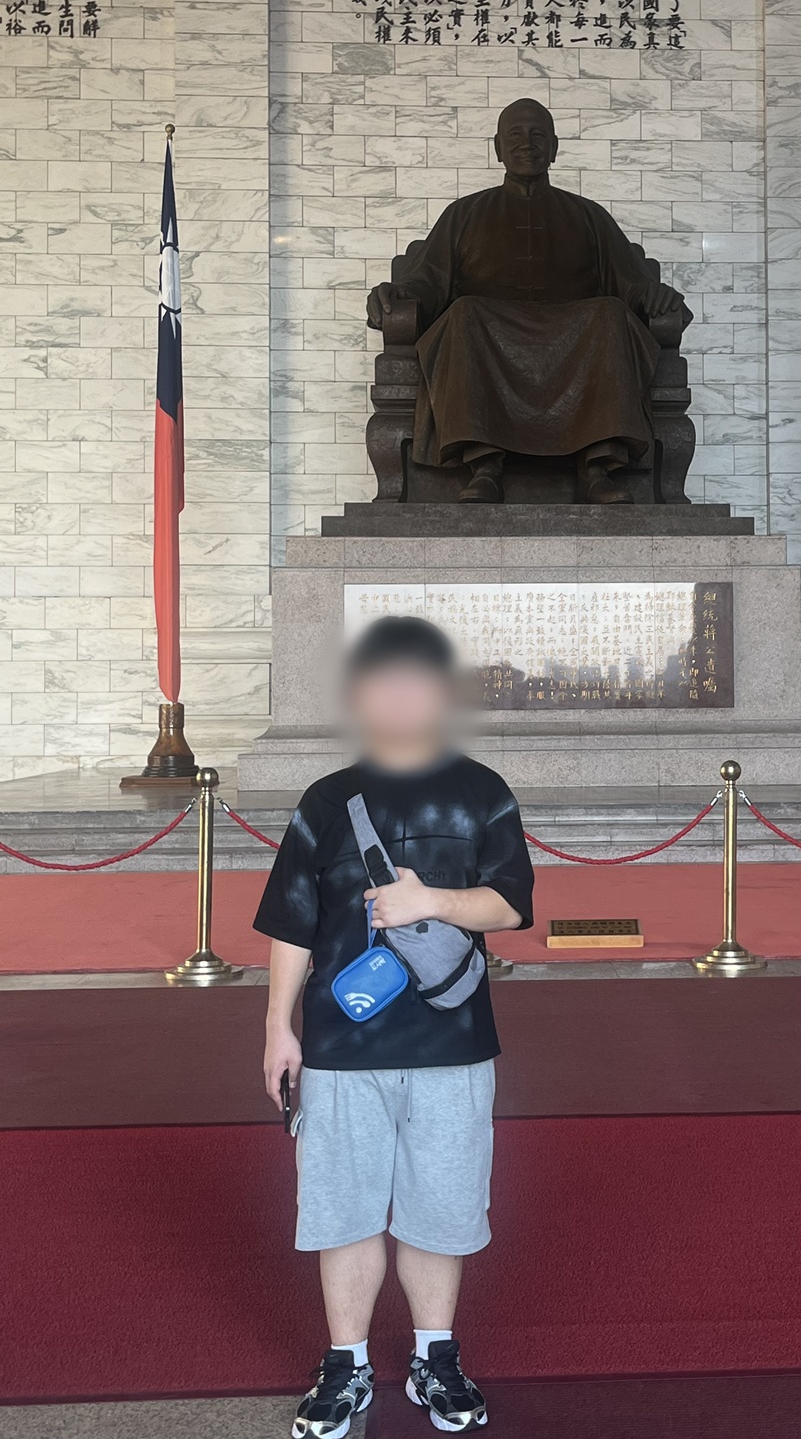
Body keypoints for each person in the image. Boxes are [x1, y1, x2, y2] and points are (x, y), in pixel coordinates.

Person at [255, 615, 534, 1436]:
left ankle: (433, 1357)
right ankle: (345, 1364)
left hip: (452, 1043)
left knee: (440, 1209)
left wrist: (430, 901)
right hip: (341, 1047)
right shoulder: (326, 800)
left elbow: (511, 906)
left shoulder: (483, 791)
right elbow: (292, 924)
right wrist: (278, 1029)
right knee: (341, 1209)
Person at [366, 97, 689, 504]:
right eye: (515, 135)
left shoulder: (589, 216)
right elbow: (428, 281)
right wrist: (402, 293)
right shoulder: (464, 214)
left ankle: (596, 469)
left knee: (610, 314)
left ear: (554, 148)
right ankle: (484, 468)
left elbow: (631, 283)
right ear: (497, 148)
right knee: (463, 314)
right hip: (488, 333)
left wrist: (654, 294)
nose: (527, 144)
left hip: (576, 335)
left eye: (538, 135)